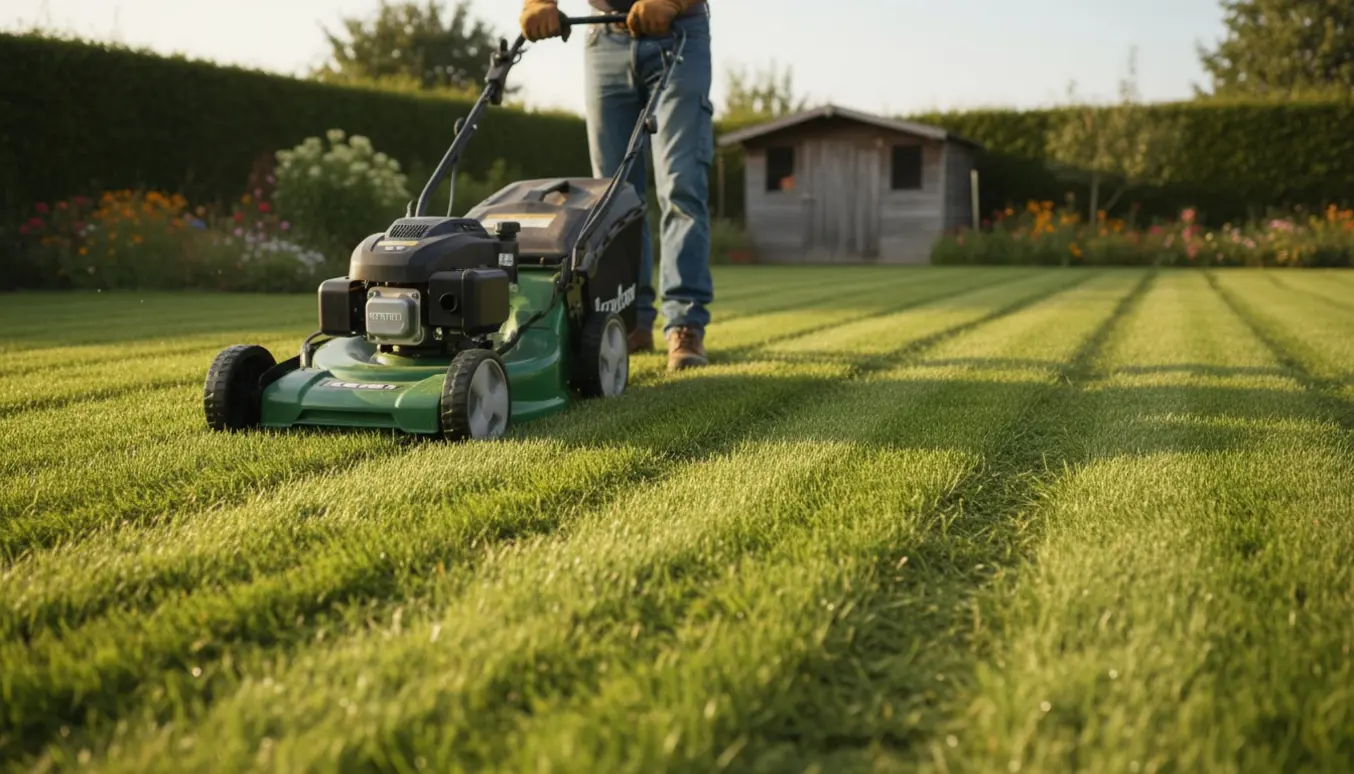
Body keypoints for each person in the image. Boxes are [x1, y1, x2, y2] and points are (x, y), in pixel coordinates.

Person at [519, 0, 714, 370]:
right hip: (604, 39)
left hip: (679, 34)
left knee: (681, 185)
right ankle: (629, 320)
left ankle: (685, 325)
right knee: (613, 196)